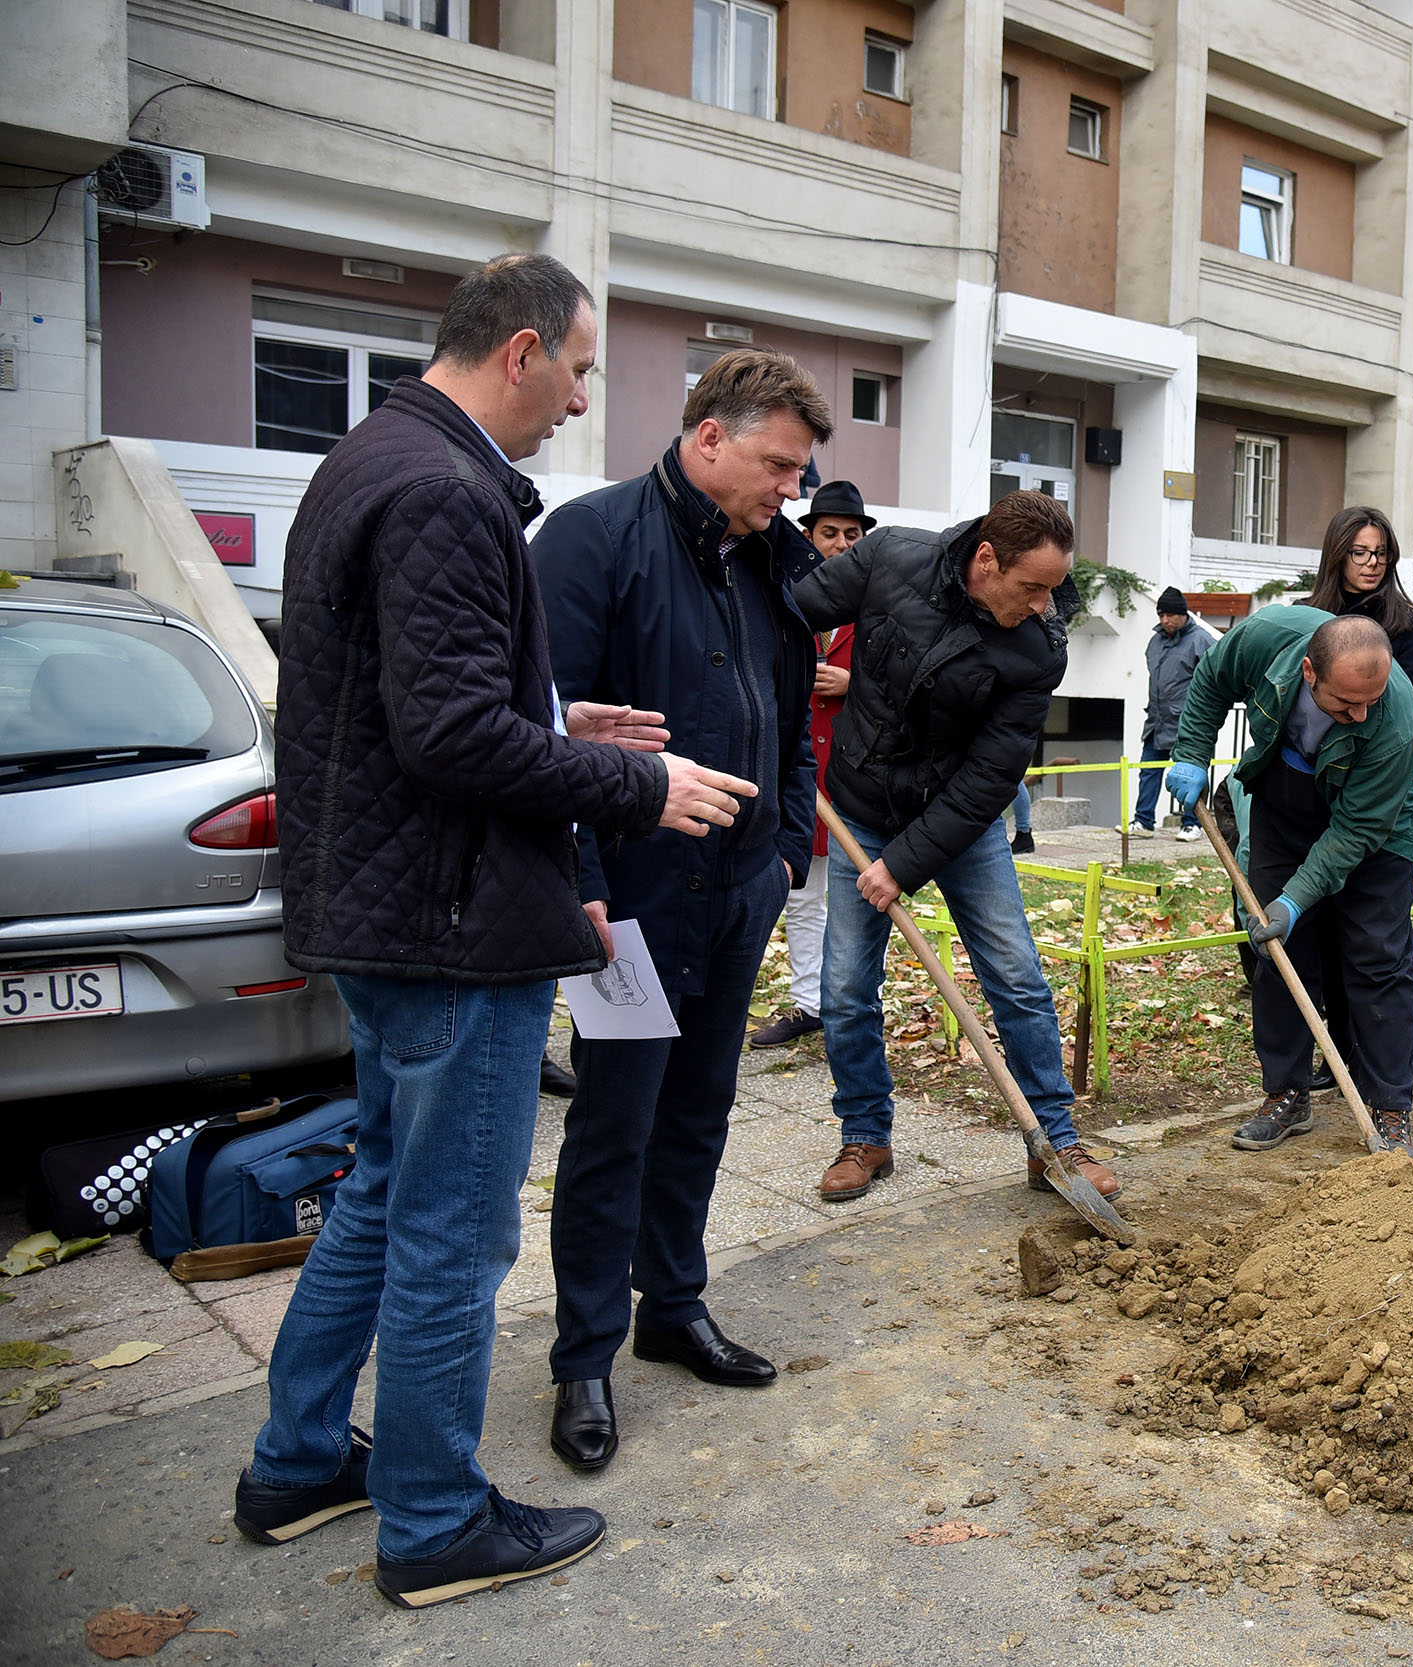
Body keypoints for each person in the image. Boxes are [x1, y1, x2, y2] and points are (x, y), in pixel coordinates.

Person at [249, 254, 757, 1608]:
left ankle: (299, 1458)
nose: (584, 400)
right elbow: (451, 734)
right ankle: (430, 1517)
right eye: (582, 368)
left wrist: (560, 721)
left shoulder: (376, 455)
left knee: (376, 1198)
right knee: (451, 1238)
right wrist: (639, 783)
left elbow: (407, 700)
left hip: (389, 907)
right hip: (451, 923)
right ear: (522, 350)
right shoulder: (444, 485)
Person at [531, 351, 831, 1472]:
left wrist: (788, 848)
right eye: (777, 465)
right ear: (709, 436)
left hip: (739, 888)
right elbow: (542, 729)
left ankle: (674, 1305)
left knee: (701, 1108)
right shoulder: (590, 538)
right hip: (630, 898)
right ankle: (582, 1355)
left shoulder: (765, 560)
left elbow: (792, 710)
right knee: (614, 1123)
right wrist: (582, 885)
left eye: (799, 473)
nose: (790, 492)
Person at [795, 491, 1121, 1205]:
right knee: (845, 987)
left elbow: (988, 780)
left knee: (1017, 978)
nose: (1043, 604)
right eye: (1031, 586)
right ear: (984, 558)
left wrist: (903, 865)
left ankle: (1056, 1142)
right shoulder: (889, 559)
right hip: (859, 804)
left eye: (1054, 589)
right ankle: (865, 1135)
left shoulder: (1037, 651)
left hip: (959, 824)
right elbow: (789, 614)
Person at [1165, 610, 1413, 1153]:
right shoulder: (1268, 640)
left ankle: (1390, 1107)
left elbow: (1356, 831)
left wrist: (1295, 898)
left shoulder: (1394, 717)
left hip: (1375, 828)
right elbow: (1212, 678)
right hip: (1285, 802)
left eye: (1369, 702)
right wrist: (1191, 753)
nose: (1359, 714)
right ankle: (1287, 1093)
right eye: (1346, 703)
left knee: (1378, 959)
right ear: (1309, 672)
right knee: (1278, 953)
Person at [751, 479, 876, 1049]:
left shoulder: (876, 606)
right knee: (799, 894)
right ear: (809, 535)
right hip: (795, 772)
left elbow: (905, 684)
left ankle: (851, 1004)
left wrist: (856, 684)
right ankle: (809, 1003)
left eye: (852, 535)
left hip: (851, 776)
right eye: (830, 534)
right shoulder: (786, 594)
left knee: (853, 903)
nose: (841, 545)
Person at [1307, 505, 1413, 711]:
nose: (1373, 562)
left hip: (1379, 741)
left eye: (1381, 553)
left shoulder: (1408, 622)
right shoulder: (1307, 615)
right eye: (1360, 553)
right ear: (1337, 555)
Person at [1133, 586, 1212, 841]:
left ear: (1183, 614)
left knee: (1190, 775)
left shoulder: (1201, 640)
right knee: (1148, 770)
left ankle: (1192, 824)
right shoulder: (1155, 641)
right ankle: (1144, 821)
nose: (1165, 620)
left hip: (1187, 725)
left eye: (1170, 615)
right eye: (1161, 615)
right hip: (1157, 721)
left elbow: (1213, 681)